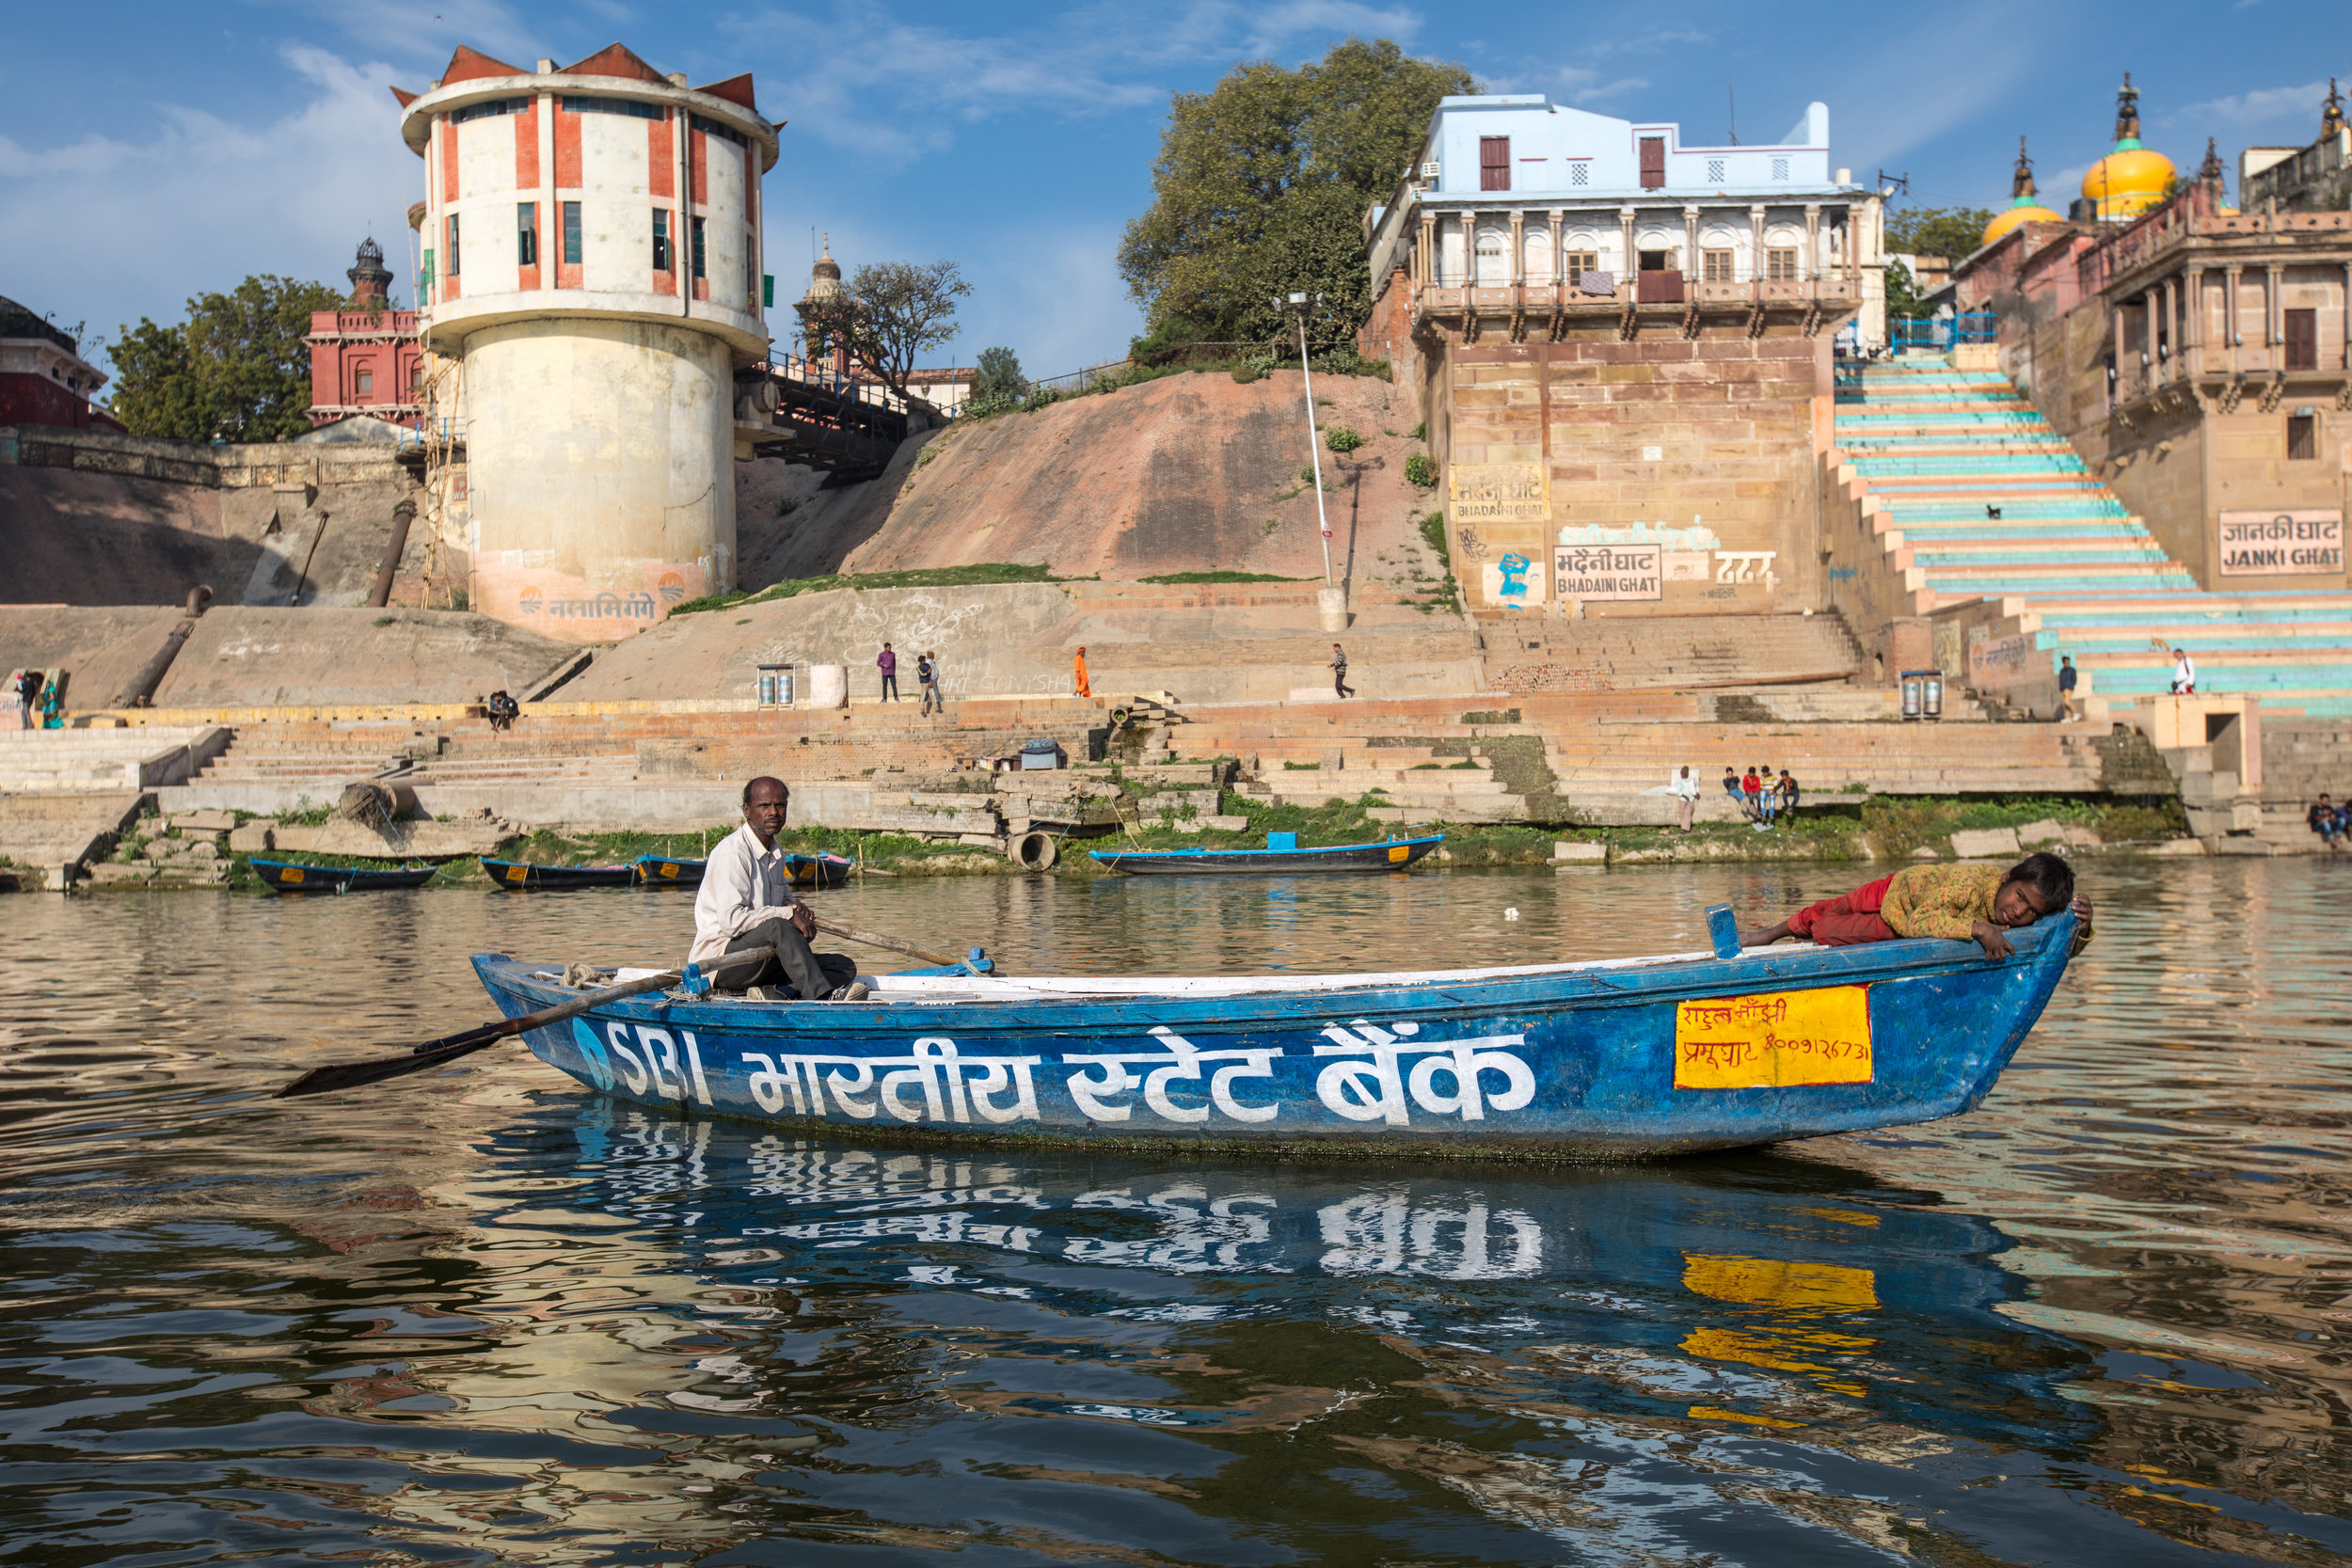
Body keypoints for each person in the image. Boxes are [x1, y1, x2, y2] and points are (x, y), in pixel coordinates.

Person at [691, 777, 867, 1001]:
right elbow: (732, 923)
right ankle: (823, 998)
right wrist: (788, 914)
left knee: (843, 967)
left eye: (780, 805)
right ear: (747, 810)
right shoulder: (733, 854)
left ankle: (777, 992)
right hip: (721, 964)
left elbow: (777, 902)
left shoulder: (775, 852)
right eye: (764, 806)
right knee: (779, 926)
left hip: (762, 958)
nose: (773, 812)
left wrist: (794, 907)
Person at [1741, 851, 2093, 959]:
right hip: (1902, 893)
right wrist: (1979, 929)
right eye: (2019, 897)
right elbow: (1925, 917)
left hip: (1902, 921)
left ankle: (1812, 939)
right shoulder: (1971, 887)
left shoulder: (2017, 919)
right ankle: (1770, 933)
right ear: (2006, 879)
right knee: (1836, 908)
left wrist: (2082, 928)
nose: (2019, 913)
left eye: (2031, 911)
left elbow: (2052, 949)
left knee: (1831, 931)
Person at [1670, 765, 1699, 832]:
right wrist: (1684, 796)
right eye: (1681, 773)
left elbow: (1696, 786)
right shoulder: (1680, 780)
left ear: (1686, 774)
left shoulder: (1692, 779)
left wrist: (1697, 792)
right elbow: (1679, 790)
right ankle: (1684, 828)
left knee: (1688, 813)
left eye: (1682, 774)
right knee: (1682, 813)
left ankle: (1685, 829)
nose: (1681, 775)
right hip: (1682, 799)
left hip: (1691, 799)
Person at [2056, 656, 2079, 722]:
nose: (2067, 663)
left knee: (2067, 701)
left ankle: (2076, 712)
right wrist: (2060, 688)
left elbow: (2074, 679)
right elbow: (2061, 680)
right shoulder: (2062, 671)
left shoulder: (2072, 670)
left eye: (2068, 662)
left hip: (2068, 688)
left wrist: (2071, 685)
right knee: (2064, 704)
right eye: (2066, 662)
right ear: (2063, 663)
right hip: (2063, 689)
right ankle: (2067, 717)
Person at [917, 651, 941, 717]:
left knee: (933, 695)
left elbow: (930, 674)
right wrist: (927, 672)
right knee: (923, 696)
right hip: (924, 683)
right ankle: (922, 710)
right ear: (920, 661)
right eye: (923, 661)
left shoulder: (927, 665)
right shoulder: (918, 667)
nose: (924, 661)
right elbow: (922, 674)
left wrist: (930, 681)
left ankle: (937, 708)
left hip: (928, 681)